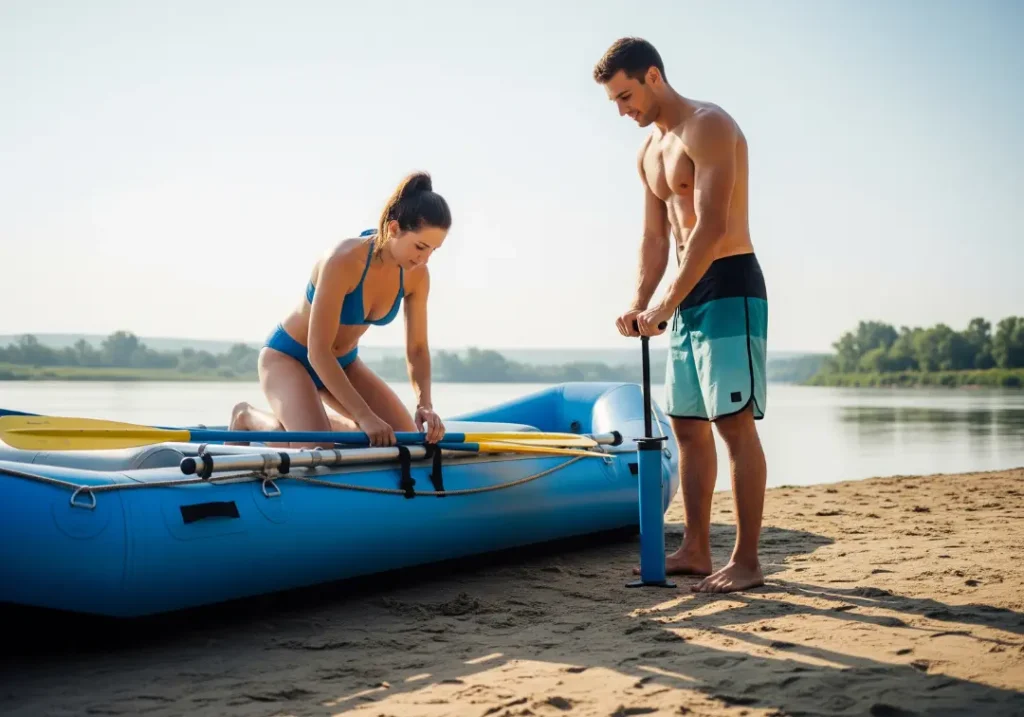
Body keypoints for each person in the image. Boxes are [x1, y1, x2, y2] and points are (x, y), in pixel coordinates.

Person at [593, 37, 769, 594]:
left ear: (653, 76)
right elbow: (655, 238)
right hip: (682, 290)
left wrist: (665, 302)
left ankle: (746, 561)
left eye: (626, 96)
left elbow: (711, 227)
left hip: (729, 281)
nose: (623, 111)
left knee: (731, 424)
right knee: (688, 427)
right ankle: (695, 548)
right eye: (615, 103)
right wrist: (639, 301)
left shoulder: (709, 126)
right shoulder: (648, 152)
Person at [229, 171, 449, 448]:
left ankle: (322, 423)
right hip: (290, 358)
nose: (424, 258)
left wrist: (425, 404)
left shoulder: (417, 275)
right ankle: (247, 416)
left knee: (406, 441)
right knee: (316, 451)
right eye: (420, 246)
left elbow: (417, 348)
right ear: (393, 229)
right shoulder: (343, 260)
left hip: (343, 364)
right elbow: (317, 351)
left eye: (434, 250)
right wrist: (364, 415)